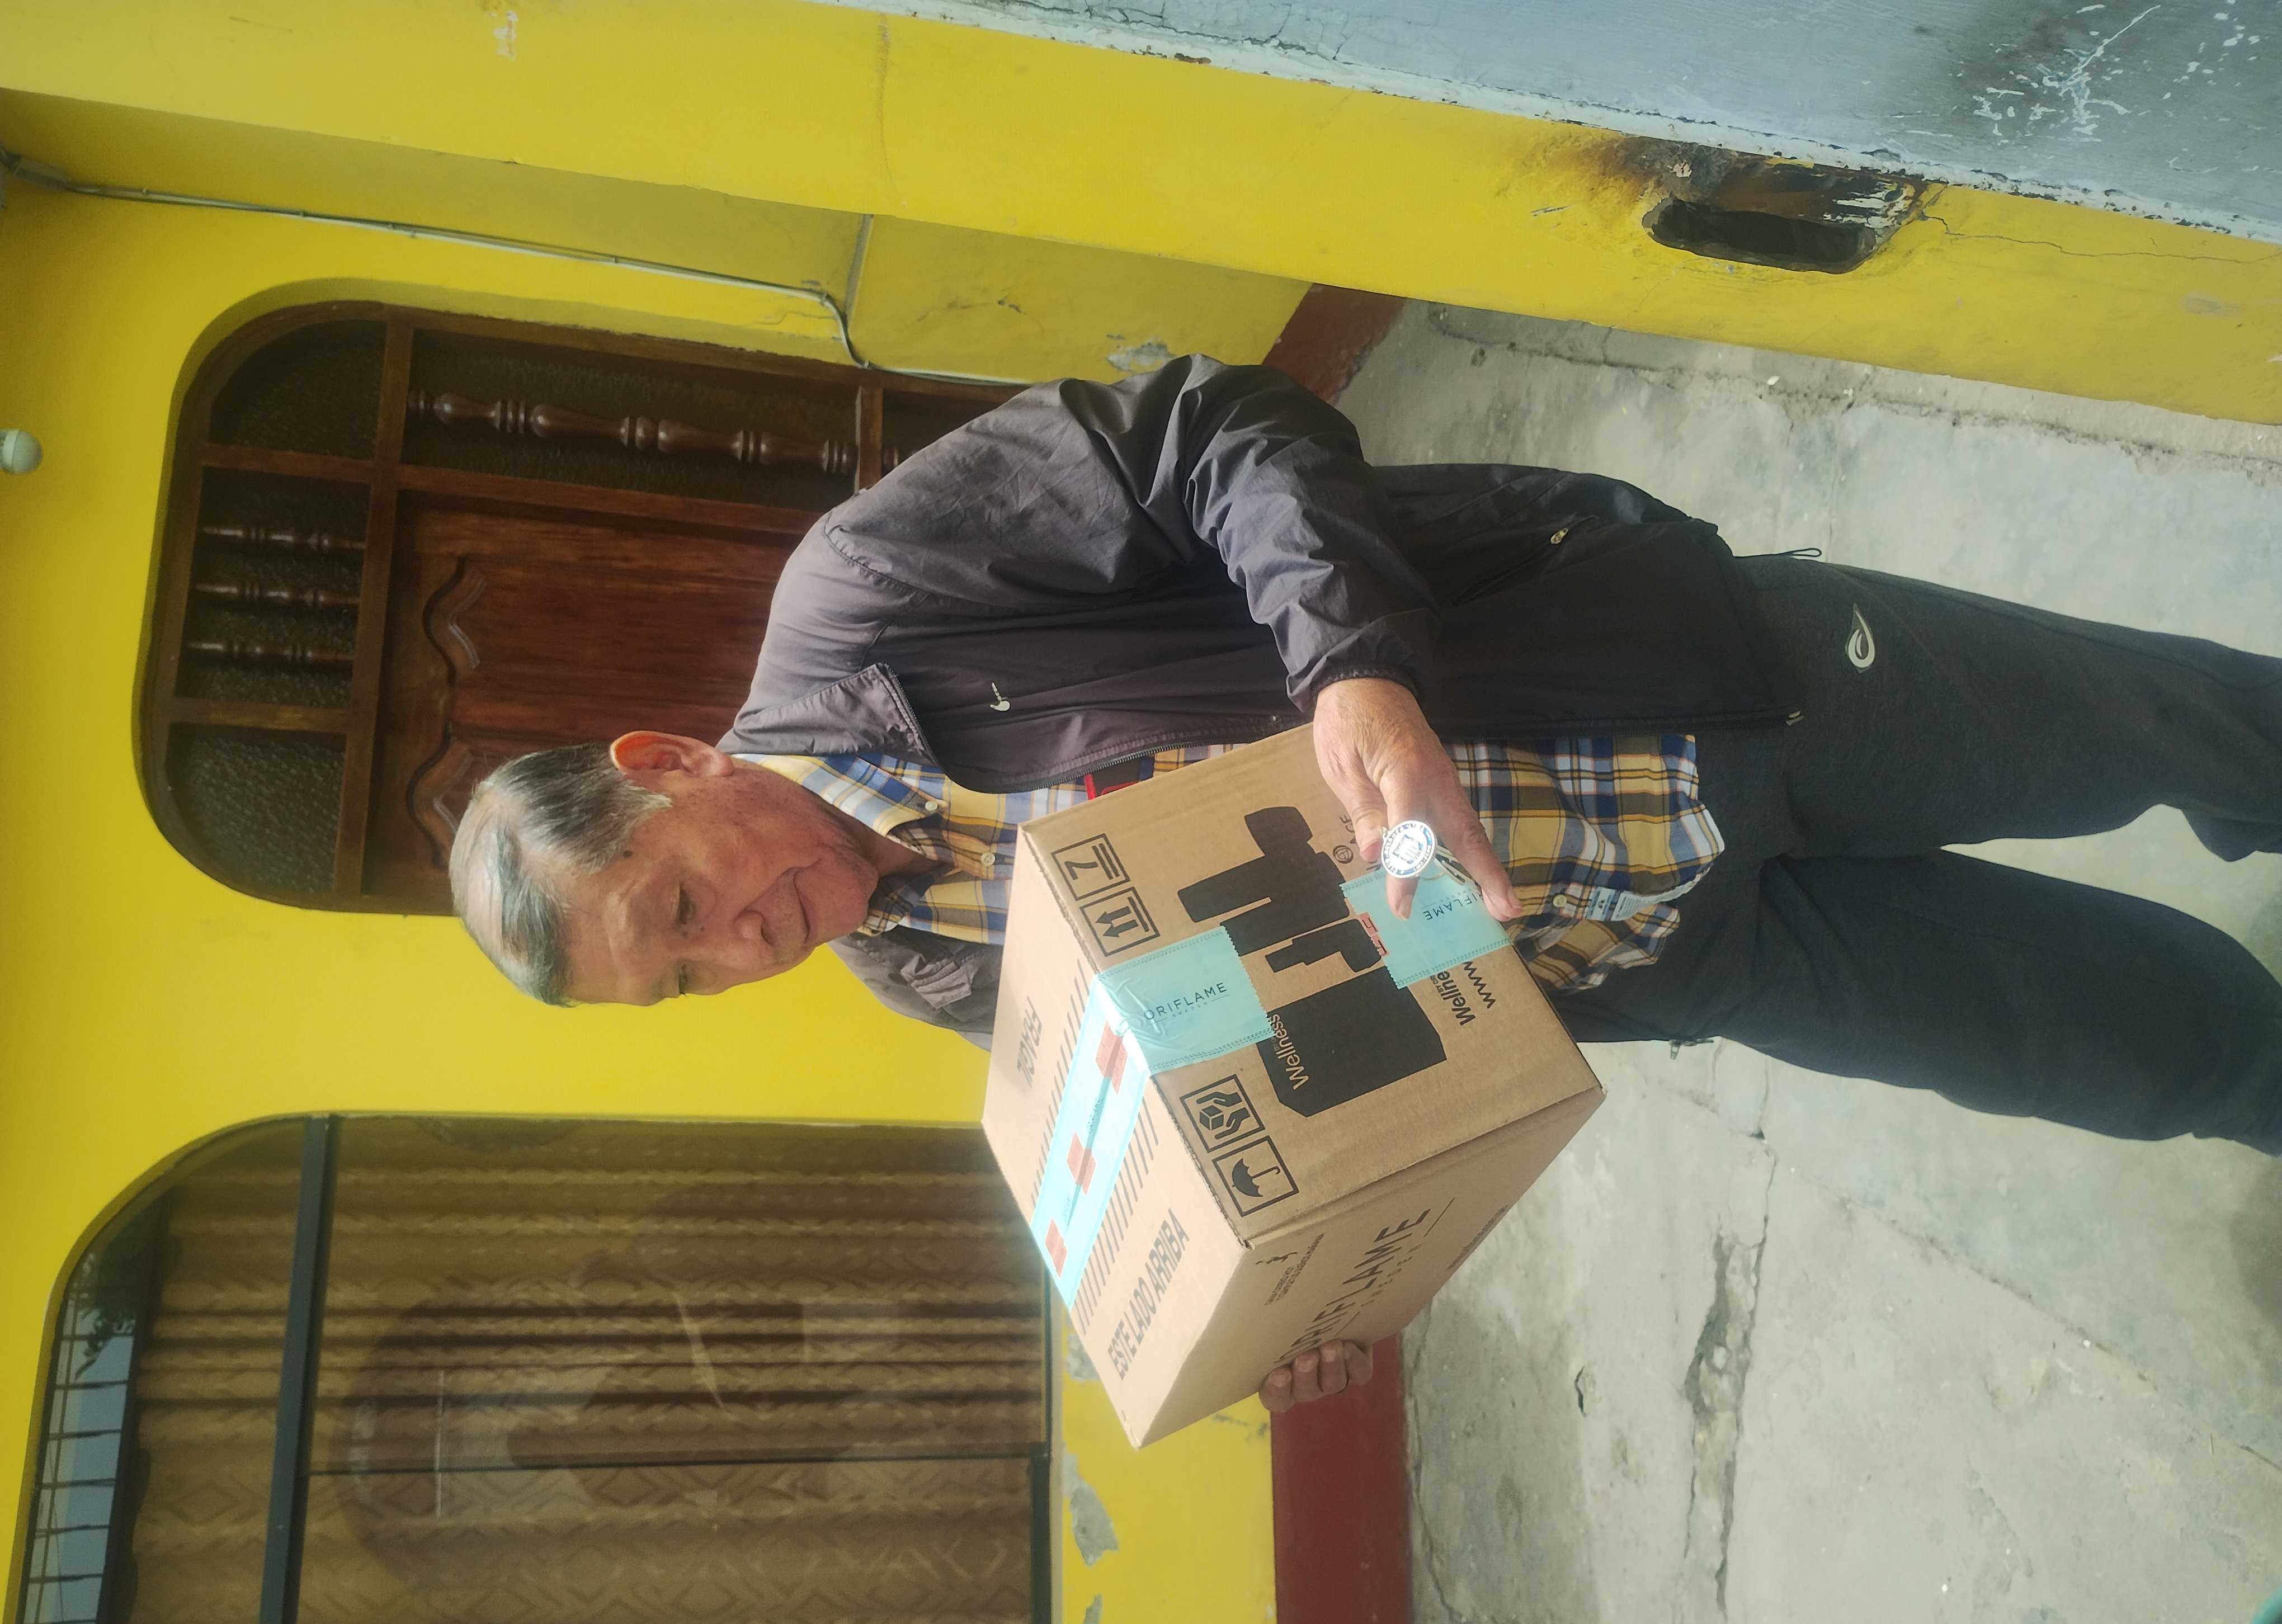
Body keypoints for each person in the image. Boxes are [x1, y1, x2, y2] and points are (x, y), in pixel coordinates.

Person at [450, 355, 2282, 1413]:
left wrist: (1350, 671)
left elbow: (1211, 428)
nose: (739, 950)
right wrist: (1289, 1278)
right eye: (685, 986)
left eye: (678, 912)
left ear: (666, 765)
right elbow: (1258, 1064)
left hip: (1691, 685)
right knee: (2126, 1051)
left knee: (2192, 734)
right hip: (1661, 946)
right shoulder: (931, 972)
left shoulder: (872, 595)